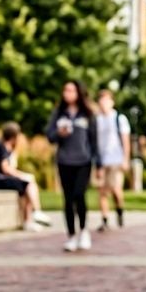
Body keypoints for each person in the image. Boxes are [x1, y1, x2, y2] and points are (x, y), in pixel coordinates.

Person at [46, 81, 97, 252]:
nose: (67, 93)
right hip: (64, 161)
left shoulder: (87, 114)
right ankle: (71, 235)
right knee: (67, 199)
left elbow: (93, 139)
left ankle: (83, 231)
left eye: (71, 90)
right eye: (65, 90)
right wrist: (59, 134)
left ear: (78, 92)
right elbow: (50, 136)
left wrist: (98, 163)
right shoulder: (59, 113)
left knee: (79, 195)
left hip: (83, 161)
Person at [0, 122, 49, 231]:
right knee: (28, 183)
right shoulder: (1, 146)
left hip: (1, 178)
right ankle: (35, 213)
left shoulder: (8, 148)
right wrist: (23, 175)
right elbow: (5, 168)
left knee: (27, 185)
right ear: (14, 136)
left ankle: (30, 218)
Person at [92, 89, 131, 231]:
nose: (103, 103)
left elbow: (126, 141)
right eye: (101, 100)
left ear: (112, 102)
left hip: (116, 159)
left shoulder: (119, 118)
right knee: (102, 191)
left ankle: (119, 209)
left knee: (115, 190)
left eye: (106, 100)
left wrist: (126, 159)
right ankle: (105, 220)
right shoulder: (96, 120)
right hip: (101, 161)